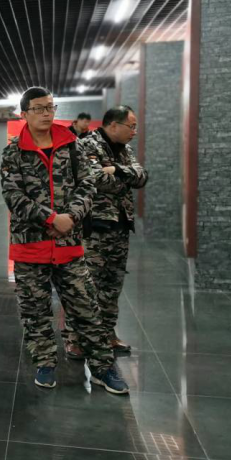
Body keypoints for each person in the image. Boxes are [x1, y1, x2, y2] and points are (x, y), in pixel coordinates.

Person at [0, 87, 128, 394]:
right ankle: (45, 363)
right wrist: (50, 219)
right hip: (30, 245)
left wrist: (70, 217)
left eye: (50, 107)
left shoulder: (72, 144)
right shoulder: (14, 151)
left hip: (69, 244)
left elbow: (88, 185)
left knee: (86, 308)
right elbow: (13, 195)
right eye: (39, 108)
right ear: (24, 114)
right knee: (35, 311)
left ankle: (102, 367)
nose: (46, 113)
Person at [67, 106, 148, 356]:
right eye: (131, 126)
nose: (134, 131)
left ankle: (106, 334)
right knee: (86, 285)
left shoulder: (125, 149)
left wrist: (117, 170)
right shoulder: (87, 144)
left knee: (112, 285)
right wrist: (124, 179)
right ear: (113, 125)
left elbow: (142, 177)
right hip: (94, 227)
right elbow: (96, 179)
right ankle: (76, 338)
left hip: (120, 226)